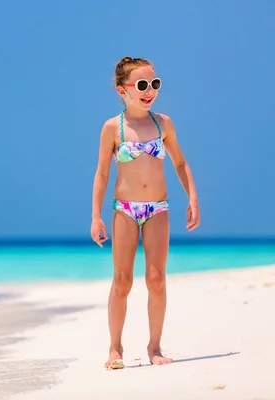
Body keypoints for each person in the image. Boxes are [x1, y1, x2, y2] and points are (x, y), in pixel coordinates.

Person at [90, 56, 200, 369]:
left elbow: (180, 162)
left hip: (158, 208)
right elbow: (101, 174)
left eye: (154, 83)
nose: (149, 90)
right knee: (122, 280)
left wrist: (192, 198)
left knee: (156, 278)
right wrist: (96, 216)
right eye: (142, 84)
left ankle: (155, 347)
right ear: (122, 90)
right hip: (125, 209)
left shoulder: (163, 123)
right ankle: (115, 349)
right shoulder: (113, 128)